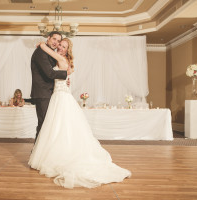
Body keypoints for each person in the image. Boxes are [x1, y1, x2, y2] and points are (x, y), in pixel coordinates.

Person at [28, 38, 131, 189]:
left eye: (63, 46)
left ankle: (61, 155)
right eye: (60, 45)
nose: (61, 48)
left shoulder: (61, 59)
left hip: (61, 97)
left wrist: (42, 45)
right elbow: (57, 74)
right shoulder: (59, 61)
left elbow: (53, 61)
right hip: (57, 95)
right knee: (56, 127)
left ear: (67, 50)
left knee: (61, 126)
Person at [30, 31, 70, 143]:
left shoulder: (49, 53)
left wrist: (63, 82)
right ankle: (37, 153)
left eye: (58, 41)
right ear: (48, 38)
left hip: (50, 93)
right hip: (42, 93)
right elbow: (50, 74)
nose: (56, 43)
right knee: (44, 124)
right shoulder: (41, 52)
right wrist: (65, 75)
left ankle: (41, 153)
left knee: (47, 125)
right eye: (54, 39)